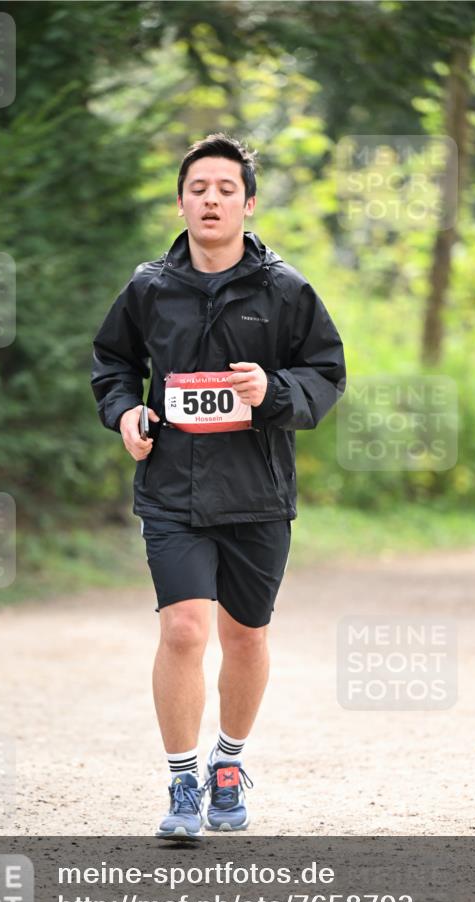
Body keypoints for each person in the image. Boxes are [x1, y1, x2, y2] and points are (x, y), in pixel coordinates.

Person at [91, 133, 346, 839]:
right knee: (183, 629)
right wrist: (125, 413)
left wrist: (272, 389)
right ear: (180, 201)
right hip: (172, 489)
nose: (210, 199)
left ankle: (227, 765)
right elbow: (111, 362)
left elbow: (326, 376)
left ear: (247, 203)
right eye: (198, 188)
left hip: (258, 491)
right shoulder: (149, 288)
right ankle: (181, 783)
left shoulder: (286, 290)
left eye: (224, 189)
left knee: (245, 637)